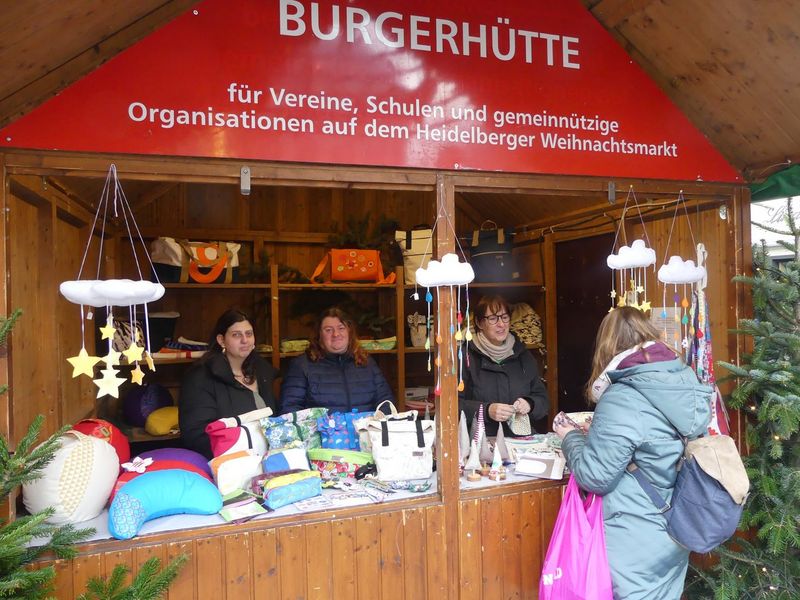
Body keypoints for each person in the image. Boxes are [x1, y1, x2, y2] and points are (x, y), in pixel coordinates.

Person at [553, 306, 711, 600]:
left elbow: (595, 477)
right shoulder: (683, 380)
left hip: (633, 530)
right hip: (673, 524)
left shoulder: (623, 395)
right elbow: (653, 438)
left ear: (607, 345)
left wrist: (570, 436)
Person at [179, 309, 278, 458]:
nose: (245, 340)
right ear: (221, 340)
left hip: (269, 457)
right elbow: (196, 435)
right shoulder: (200, 377)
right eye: (236, 335)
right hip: (227, 461)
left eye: (249, 334)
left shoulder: (262, 371)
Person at [459, 294, 548, 436]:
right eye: (493, 318)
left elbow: (543, 400)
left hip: (521, 440)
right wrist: (487, 410)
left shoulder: (523, 355)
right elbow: (453, 405)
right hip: (481, 441)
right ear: (480, 323)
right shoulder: (466, 357)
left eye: (505, 317)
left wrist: (530, 404)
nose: (501, 324)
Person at [279, 307, 394, 414]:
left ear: (349, 332)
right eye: (328, 330)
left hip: (365, 428)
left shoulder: (366, 362)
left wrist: (375, 425)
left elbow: (386, 403)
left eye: (341, 328)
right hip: (320, 430)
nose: (336, 334)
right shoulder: (302, 365)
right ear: (319, 335)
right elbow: (290, 410)